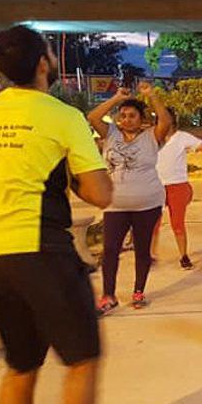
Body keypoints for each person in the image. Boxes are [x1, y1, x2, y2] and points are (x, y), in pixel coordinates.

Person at [0, 25, 118, 404]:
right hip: (39, 248)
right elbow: (100, 193)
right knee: (82, 359)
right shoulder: (62, 115)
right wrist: (82, 178)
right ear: (43, 65)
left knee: (20, 365)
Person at [87, 80, 171, 314]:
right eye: (123, 115)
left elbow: (165, 120)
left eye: (132, 115)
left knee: (142, 249)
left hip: (147, 203)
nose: (127, 119)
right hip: (115, 205)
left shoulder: (151, 136)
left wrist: (151, 94)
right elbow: (93, 117)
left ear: (142, 119)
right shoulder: (111, 134)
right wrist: (116, 99)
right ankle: (108, 296)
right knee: (111, 249)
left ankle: (138, 291)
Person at [153, 108, 202, 269]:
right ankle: (150, 256)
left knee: (177, 223)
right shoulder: (152, 138)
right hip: (156, 186)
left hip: (177, 185)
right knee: (153, 224)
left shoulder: (182, 137)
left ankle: (183, 255)